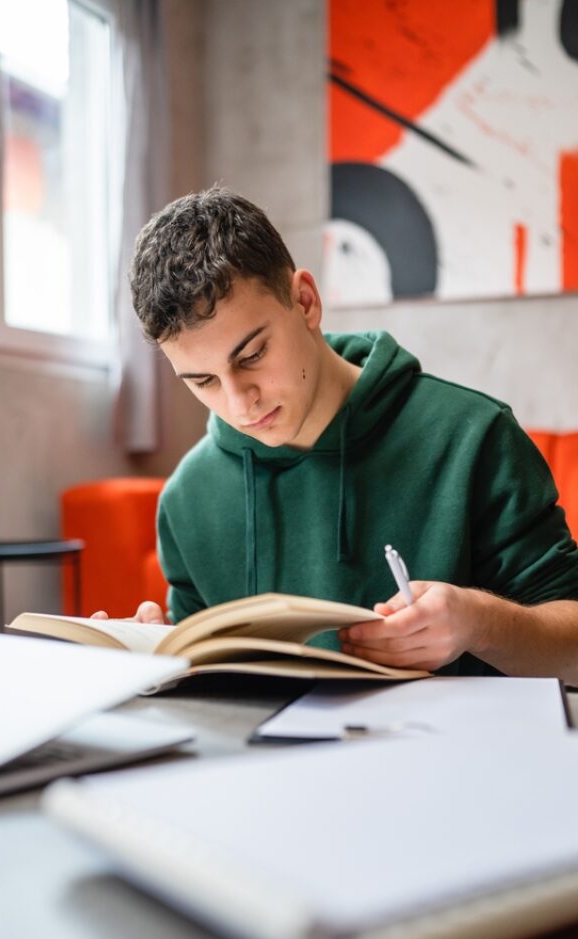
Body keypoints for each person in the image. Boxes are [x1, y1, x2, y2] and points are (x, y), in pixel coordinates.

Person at [95, 186, 578, 681]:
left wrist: (481, 623)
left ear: (305, 301)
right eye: (203, 381)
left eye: (253, 355)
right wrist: (158, 655)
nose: (240, 403)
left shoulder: (474, 436)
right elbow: (208, 680)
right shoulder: (188, 498)